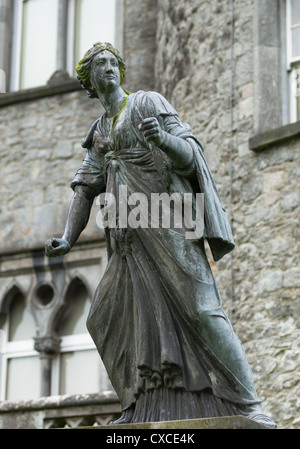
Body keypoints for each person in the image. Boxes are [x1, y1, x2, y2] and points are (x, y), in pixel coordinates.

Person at [45, 42, 276, 427]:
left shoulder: (148, 103)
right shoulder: (100, 130)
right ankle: (138, 404)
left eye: (112, 63)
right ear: (89, 79)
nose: (109, 69)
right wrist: (69, 238)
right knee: (107, 318)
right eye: (100, 65)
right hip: (128, 242)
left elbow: (190, 156)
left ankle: (248, 404)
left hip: (169, 224)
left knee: (202, 310)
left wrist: (163, 139)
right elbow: (85, 187)